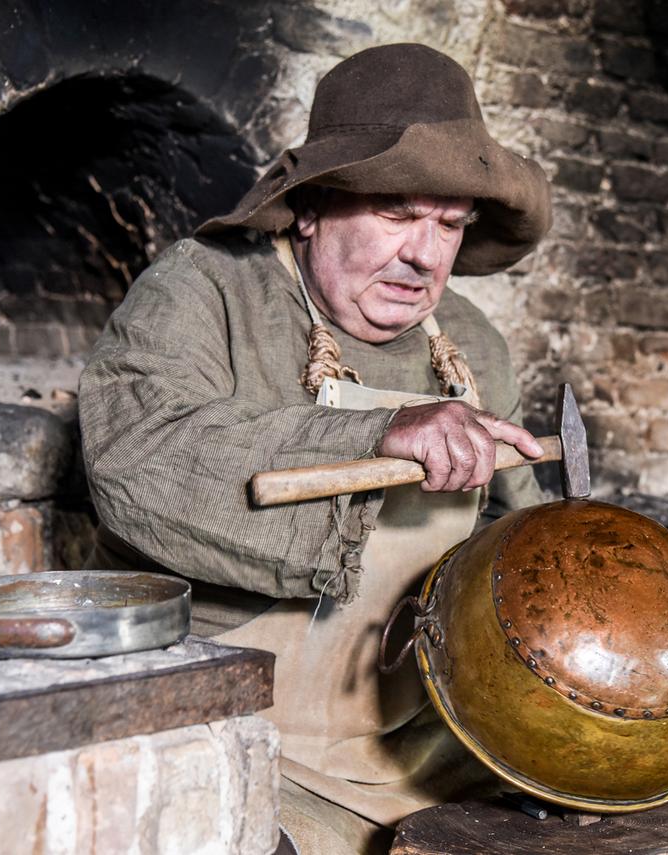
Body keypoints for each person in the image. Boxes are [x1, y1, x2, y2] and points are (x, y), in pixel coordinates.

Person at [77, 43, 553, 854]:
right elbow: (133, 458)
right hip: (237, 734)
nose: (424, 254)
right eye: (397, 215)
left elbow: (517, 554)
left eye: (449, 224)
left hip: (429, 744)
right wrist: (377, 433)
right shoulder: (206, 291)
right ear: (311, 207)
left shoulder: (472, 343)